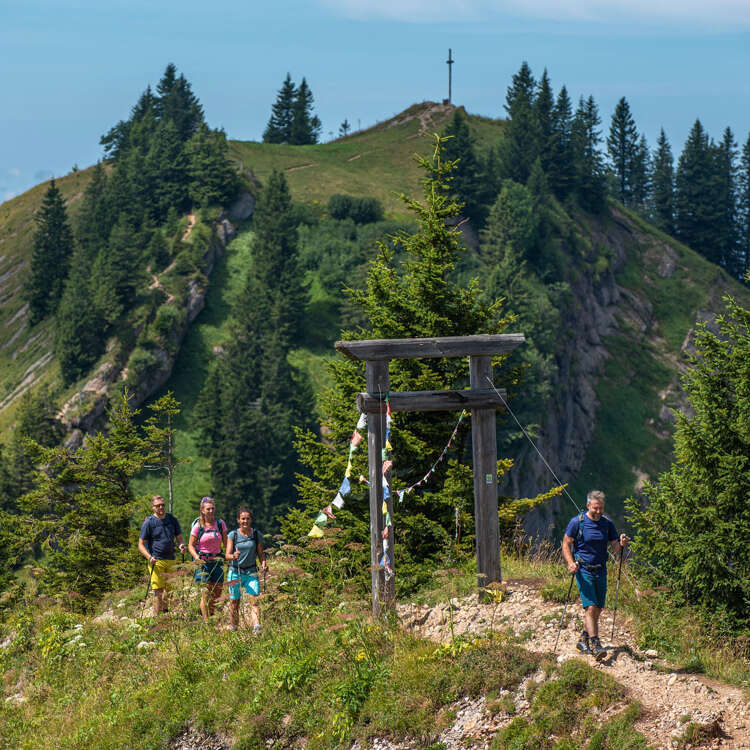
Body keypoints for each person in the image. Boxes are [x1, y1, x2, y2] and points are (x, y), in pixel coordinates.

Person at [561, 490, 629, 660]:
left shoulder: (607, 524)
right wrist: (570, 562)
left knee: (597, 608)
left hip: (601, 569)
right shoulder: (577, 522)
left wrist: (621, 544)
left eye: (601, 508)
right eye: (596, 508)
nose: (599, 512)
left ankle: (582, 640)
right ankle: (595, 643)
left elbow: (615, 549)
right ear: (588, 506)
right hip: (583, 570)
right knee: (590, 607)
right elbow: (566, 543)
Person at [138, 494, 187, 616]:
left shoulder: (172, 519)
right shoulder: (149, 522)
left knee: (170, 591)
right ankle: (156, 619)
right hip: (156, 560)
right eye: (158, 506)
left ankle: (165, 615)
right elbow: (140, 544)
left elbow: (179, 538)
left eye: (163, 505)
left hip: (171, 559)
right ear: (153, 507)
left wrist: (181, 545)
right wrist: (149, 557)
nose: (161, 507)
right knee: (158, 591)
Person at [225, 506, 268, 633]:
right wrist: (234, 556)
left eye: (247, 519)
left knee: (254, 601)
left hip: (251, 572)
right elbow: (227, 555)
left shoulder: (256, 535)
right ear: (238, 520)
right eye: (243, 519)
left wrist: (264, 564)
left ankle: (257, 627)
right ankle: (234, 628)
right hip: (235, 572)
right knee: (234, 603)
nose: (245, 521)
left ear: (251, 520)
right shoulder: (232, 535)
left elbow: (261, 554)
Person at [188, 496, 227, 622]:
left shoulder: (220, 524)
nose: (211, 511)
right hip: (203, 563)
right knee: (205, 594)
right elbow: (190, 545)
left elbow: (227, 543)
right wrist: (196, 557)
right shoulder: (198, 526)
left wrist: (231, 555)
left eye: (213, 508)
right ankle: (207, 624)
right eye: (208, 509)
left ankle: (212, 616)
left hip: (217, 562)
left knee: (217, 594)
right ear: (202, 510)